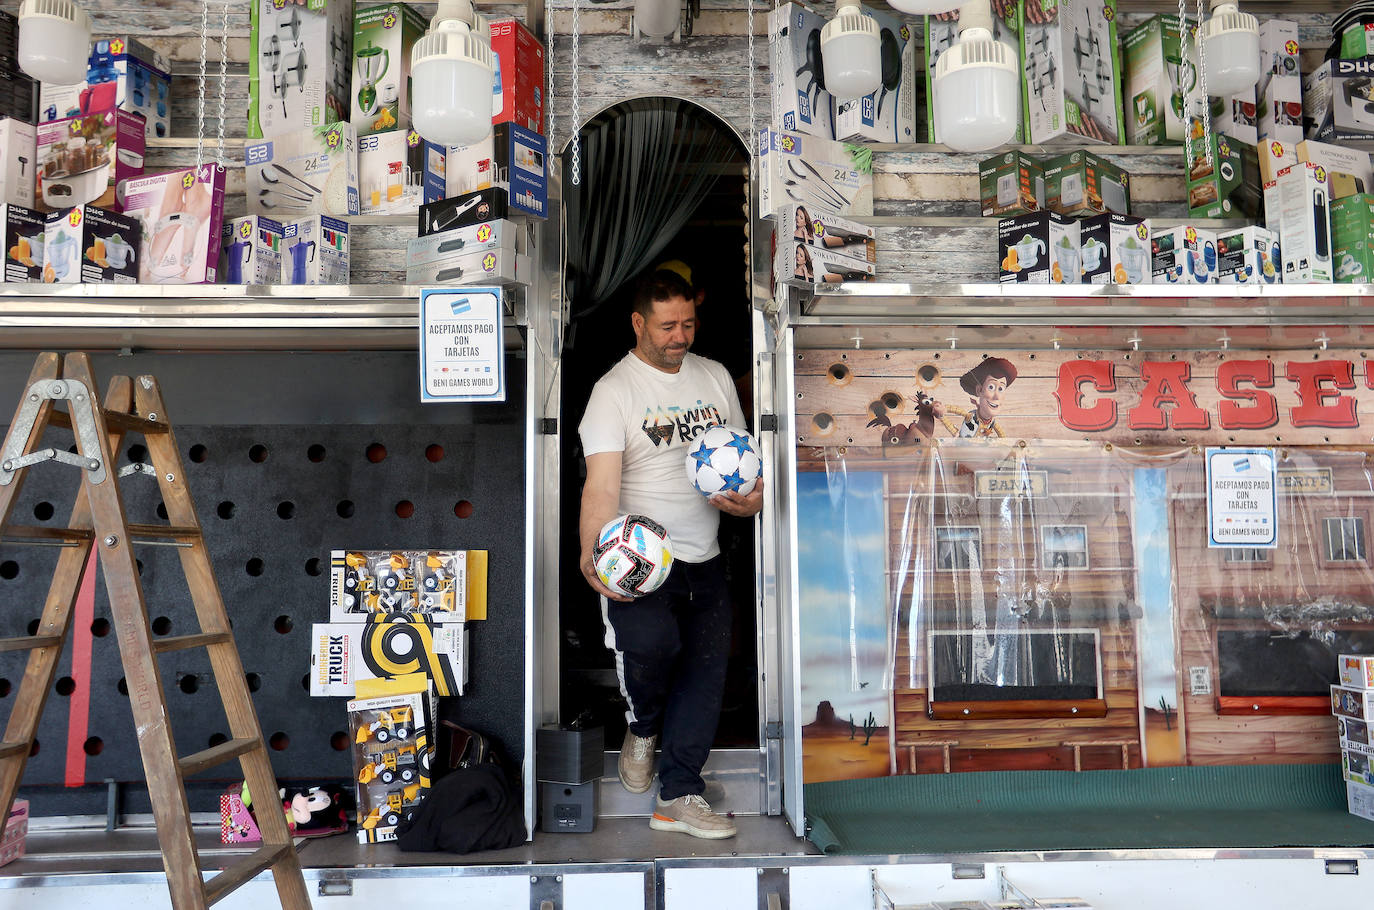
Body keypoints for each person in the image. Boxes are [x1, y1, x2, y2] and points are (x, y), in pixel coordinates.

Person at [577, 269, 763, 840]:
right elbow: (601, 486)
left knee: (706, 677)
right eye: (666, 326)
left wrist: (753, 500)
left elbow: (741, 457)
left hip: (707, 555)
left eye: (687, 323)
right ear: (638, 324)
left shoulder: (713, 378)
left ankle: (680, 794)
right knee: (653, 650)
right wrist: (592, 552)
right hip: (642, 558)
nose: (679, 335)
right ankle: (643, 727)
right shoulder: (615, 391)